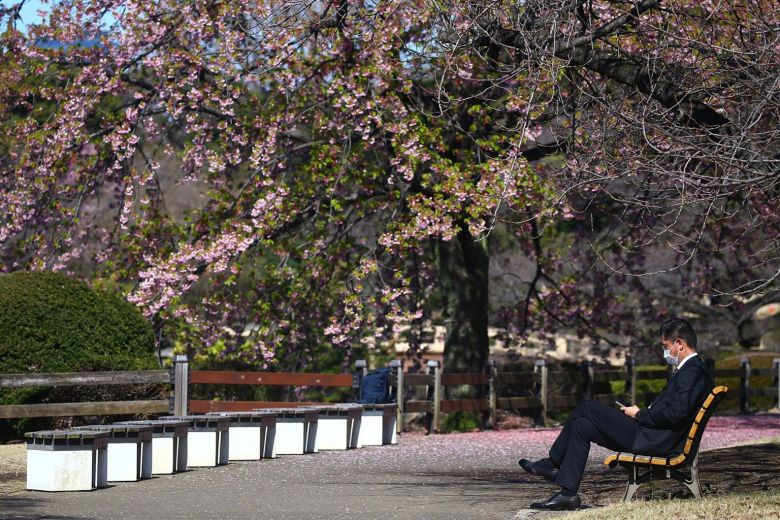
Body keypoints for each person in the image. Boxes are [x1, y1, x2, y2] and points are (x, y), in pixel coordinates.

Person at [518, 318, 714, 510]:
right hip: (652, 436)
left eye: (665, 346)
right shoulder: (692, 370)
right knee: (582, 427)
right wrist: (641, 413)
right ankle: (568, 494)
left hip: (653, 440)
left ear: (679, 344)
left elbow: (675, 413)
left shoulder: (693, 372)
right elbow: (673, 410)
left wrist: (640, 415)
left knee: (586, 406)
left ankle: (552, 464)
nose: (665, 352)